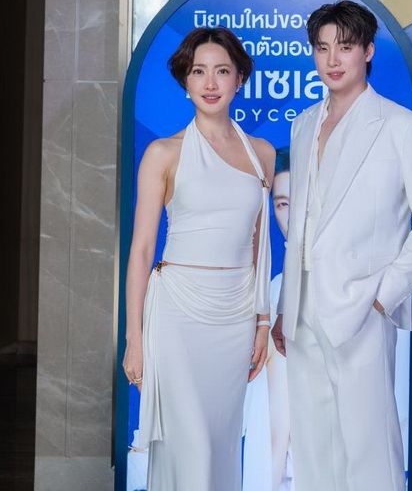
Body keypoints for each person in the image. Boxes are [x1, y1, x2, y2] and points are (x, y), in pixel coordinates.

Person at [271, 0, 412, 491]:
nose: (332, 59)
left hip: (362, 307)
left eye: (346, 47)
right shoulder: (303, 124)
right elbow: (303, 223)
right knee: (314, 446)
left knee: (370, 446)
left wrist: (384, 293)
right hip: (303, 309)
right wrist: (287, 304)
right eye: (322, 48)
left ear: (368, 51)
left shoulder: (401, 126)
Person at [122, 26, 275, 490]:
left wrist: (262, 321)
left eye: (222, 71)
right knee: (189, 447)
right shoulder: (163, 153)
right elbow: (142, 250)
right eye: (198, 71)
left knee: (220, 446)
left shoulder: (263, 155)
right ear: (185, 81)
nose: (210, 82)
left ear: (239, 79)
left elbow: (258, 244)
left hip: (235, 316)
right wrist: (134, 338)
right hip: (177, 315)